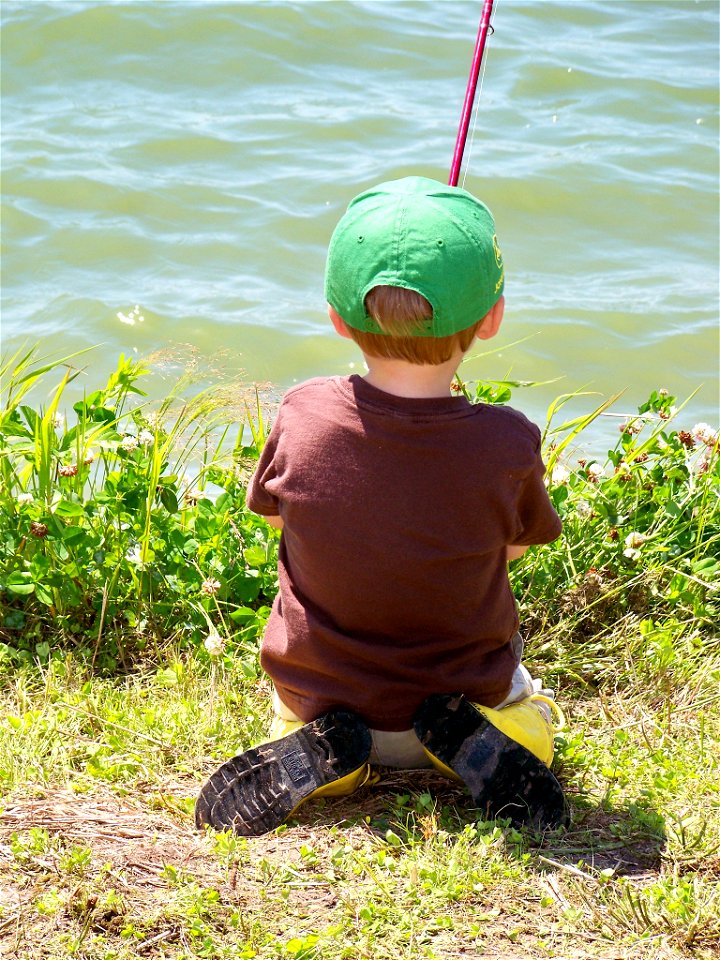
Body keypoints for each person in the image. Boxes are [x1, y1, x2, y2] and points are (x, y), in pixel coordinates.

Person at [195, 176, 568, 837]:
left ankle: (336, 763)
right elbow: (510, 548)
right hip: (464, 695)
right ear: (493, 317)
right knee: (534, 722)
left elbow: (280, 518)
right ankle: (472, 748)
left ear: (337, 316)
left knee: (299, 719)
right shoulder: (507, 441)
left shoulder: (302, 416)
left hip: (324, 699)